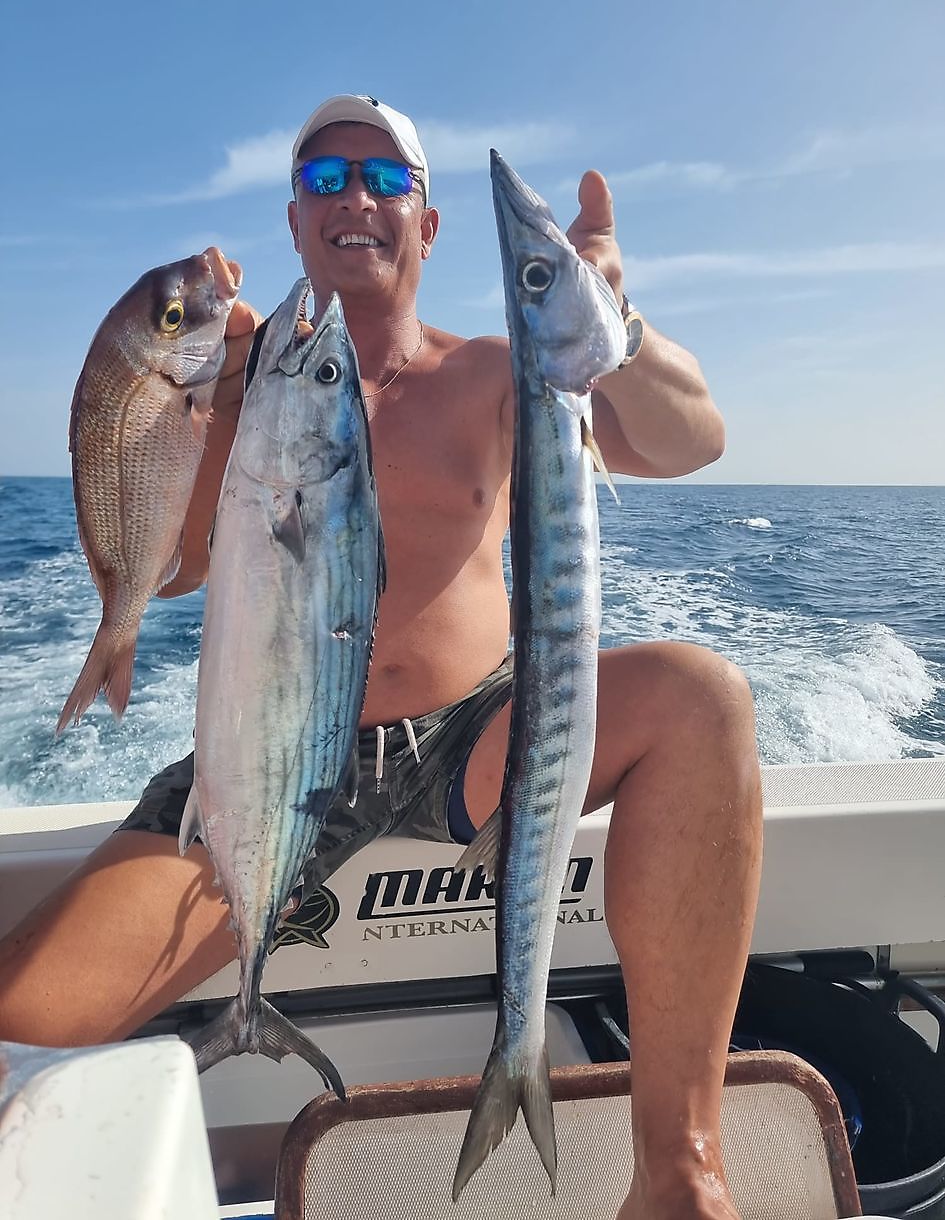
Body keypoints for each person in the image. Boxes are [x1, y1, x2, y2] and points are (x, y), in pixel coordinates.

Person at [0, 95, 762, 1220]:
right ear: (295, 223)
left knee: (701, 695)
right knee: (18, 1014)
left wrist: (612, 320)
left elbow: (693, 440)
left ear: (429, 224)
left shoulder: (498, 376)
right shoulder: (241, 388)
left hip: (479, 737)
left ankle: (677, 1169)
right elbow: (175, 574)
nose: (354, 197)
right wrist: (190, 410)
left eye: (385, 179)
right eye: (324, 180)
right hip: (267, 754)